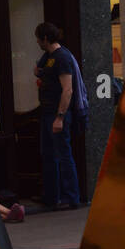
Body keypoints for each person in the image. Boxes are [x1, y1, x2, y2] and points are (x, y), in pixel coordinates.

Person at [34, 22, 83, 211]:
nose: (37, 42)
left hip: (57, 114)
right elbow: (41, 71)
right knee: (48, 155)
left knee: (63, 154)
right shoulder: (48, 57)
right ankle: (51, 196)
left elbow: (67, 89)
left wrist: (60, 117)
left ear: (45, 39)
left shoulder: (62, 58)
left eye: (38, 38)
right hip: (47, 112)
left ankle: (72, 197)